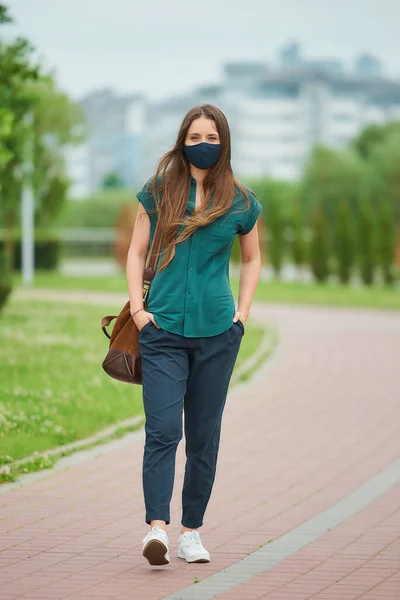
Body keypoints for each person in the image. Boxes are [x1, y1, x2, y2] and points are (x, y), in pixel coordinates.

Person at [126, 104, 263, 566]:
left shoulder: (241, 201)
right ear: (181, 141)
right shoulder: (159, 192)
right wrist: (139, 311)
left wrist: (241, 315)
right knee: (163, 430)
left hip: (217, 335)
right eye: (194, 137)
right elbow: (135, 250)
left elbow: (252, 258)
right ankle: (156, 529)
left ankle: (191, 532)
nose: (203, 145)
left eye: (211, 137)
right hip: (161, 330)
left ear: (224, 142)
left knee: (204, 435)